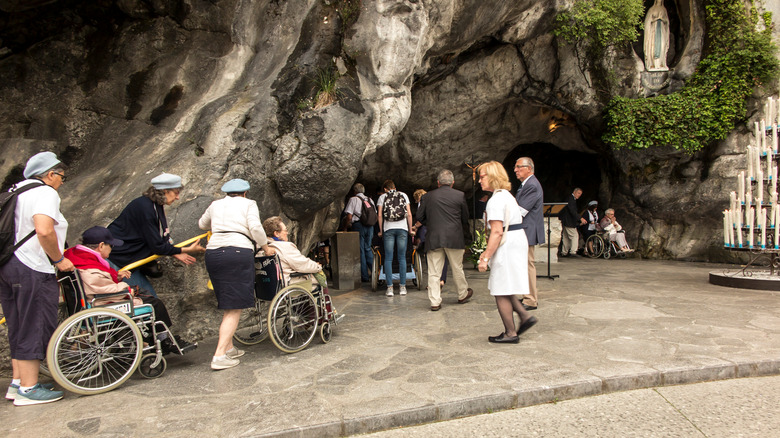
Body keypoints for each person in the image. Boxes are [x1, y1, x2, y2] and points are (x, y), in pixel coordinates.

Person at [0, 151, 71, 405]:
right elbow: (44, 229)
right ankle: (29, 390)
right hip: (32, 266)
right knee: (34, 323)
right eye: (62, 176)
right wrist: (58, 259)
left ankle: (18, 383)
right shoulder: (45, 193)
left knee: (18, 323)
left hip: (8, 266)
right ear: (50, 174)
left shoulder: (16, 191)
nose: (62, 181)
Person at [63, 226, 193, 352]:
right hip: (102, 303)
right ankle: (163, 340)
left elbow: (98, 282)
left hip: (92, 301)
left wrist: (115, 275)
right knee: (154, 304)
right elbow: (100, 288)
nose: (112, 249)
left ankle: (152, 338)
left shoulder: (78, 257)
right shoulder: (88, 266)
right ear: (101, 246)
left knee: (142, 293)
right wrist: (126, 289)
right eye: (111, 246)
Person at [199, 179, 275, 371]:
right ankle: (219, 355)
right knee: (235, 307)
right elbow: (256, 228)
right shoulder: (248, 204)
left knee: (227, 302)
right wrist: (265, 247)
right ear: (245, 193)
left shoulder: (216, 204)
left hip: (214, 252)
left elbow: (202, 224)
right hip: (237, 252)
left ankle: (229, 347)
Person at [108, 173, 205, 297]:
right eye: (176, 193)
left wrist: (174, 252)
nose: (177, 198)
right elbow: (156, 245)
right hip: (118, 260)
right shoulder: (146, 209)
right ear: (165, 191)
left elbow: (155, 239)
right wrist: (186, 249)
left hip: (126, 259)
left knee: (149, 298)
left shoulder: (152, 204)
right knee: (147, 299)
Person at [476, 161, 537, 343]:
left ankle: (511, 333)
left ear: (493, 176)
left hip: (507, 243)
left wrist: (485, 257)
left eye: (482, 176)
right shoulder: (507, 196)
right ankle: (524, 316)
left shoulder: (495, 200)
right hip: (517, 240)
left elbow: (496, 231)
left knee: (500, 287)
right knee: (506, 283)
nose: (479, 181)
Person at [414, 170, 472, 311]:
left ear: (438, 183)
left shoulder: (427, 197)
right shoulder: (460, 195)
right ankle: (462, 294)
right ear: (452, 183)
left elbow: (419, 217)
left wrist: (432, 224)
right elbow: (465, 217)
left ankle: (435, 301)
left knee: (434, 271)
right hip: (454, 237)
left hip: (434, 238)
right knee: (457, 268)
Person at [262, 216, 341, 317]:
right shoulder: (284, 247)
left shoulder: (262, 248)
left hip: (267, 287)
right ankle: (324, 315)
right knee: (320, 278)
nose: (287, 233)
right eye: (285, 230)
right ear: (276, 233)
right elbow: (302, 264)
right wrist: (317, 266)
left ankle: (308, 315)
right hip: (287, 285)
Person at [513, 157, 544, 311]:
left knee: (527, 264)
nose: (515, 170)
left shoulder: (531, 185)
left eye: (519, 167)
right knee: (524, 264)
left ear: (529, 168)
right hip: (526, 229)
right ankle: (527, 295)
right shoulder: (527, 184)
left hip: (527, 229)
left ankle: (531, 299)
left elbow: (521, 211)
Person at [377, 180, 413, 297]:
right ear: (395, 187)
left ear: (386, 189)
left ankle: (390, 288)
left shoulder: (383, 197)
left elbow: (380, 215)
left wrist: (381, 231)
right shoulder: (403, 195)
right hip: (402, 228)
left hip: (388, 229)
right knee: (402, 257)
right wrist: (410, 229)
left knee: (388, 258)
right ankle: (402, 287)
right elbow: (409, 213)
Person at [342, 183, 375, 282]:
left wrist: (346, 227)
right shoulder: (370, 200)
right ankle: (376, 272)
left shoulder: (353, 199)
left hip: (358, 225)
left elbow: (349, 217)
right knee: (368, 249)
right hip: (370, 226)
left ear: (355, 191)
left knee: (360, 251)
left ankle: (364, 276)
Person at [559, 187, 586, 257]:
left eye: (580, 194)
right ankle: (573, 251)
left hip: (566, 221)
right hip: (569, 221)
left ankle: (564, 252)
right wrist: (580, 219)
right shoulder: (571, 199)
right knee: (574, 236)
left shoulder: (570, 198)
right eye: (578, 193)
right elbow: (572, 211)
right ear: (574, 192)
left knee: (566, 237)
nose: (579, 195)